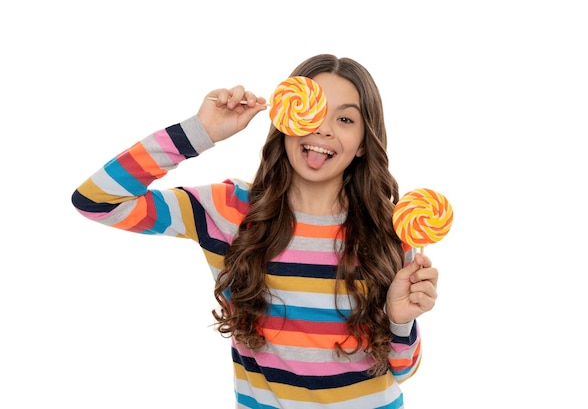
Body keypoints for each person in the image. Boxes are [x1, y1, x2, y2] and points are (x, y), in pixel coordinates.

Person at [72, 54, 439, 408]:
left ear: (362, 144)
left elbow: (402, 369)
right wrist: (200, 132)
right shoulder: (230, 211)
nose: (323, 128)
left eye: (345, 120)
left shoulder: (391, 229)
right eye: (314, 111)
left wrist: (400, 319)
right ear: (285, 117)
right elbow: (96, 201)